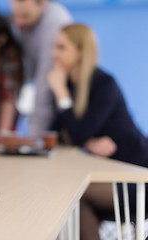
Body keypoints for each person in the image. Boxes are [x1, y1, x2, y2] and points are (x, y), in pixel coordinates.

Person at [47, 24, 148, 240]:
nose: (53, 54)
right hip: (110, 175)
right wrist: (87, 140)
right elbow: (57, 134)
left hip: (138, 175)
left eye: (61, 47)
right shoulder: (69, 85)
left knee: (72, 195)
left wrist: (62, 95)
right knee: (73, 199)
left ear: (81, 51)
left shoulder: (104, 85)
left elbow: (76, 134)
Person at [10, 0, 72, 137]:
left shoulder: (55, 23)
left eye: (25, 16)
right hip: (40, 84)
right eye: (15, 16)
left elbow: (44, 84)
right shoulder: (20, 21)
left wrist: (33, 138)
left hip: (59, 90)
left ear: (43, 3)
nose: (18, 22)